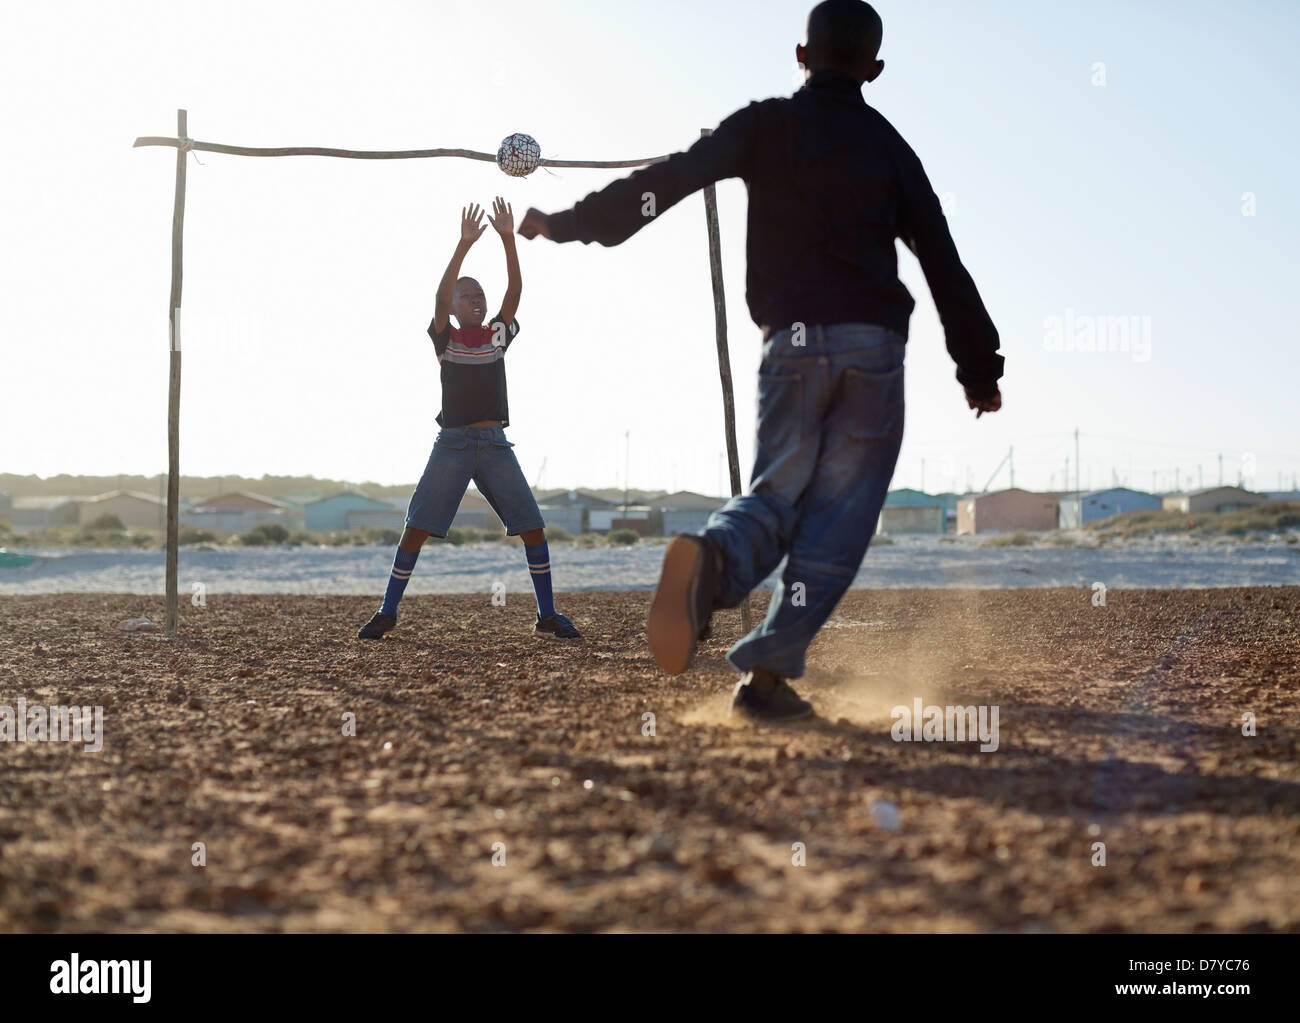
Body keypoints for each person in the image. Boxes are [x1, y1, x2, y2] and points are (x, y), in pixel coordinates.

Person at [517, 0, 1002, 718]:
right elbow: (942, 259)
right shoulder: (891, 149)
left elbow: (670, 179)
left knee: (774, 495)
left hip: (793, 343)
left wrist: (568, 224)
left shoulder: (764, 124)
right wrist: (978, 365)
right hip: (872, 346)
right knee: (840, 517)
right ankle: (769, 675)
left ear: (801, 55)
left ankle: (714, 565)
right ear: (874, 69)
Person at [358, 198, 581, 641]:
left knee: (533, 528)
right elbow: (440, 298)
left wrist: (505, 240)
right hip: (454, 444)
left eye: (479, 295)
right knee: (416, 529)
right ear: (455, 306)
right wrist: (462, 246)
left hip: (495, 445)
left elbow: (515, 291)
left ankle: (547, 615)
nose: (475, 301)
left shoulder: (497, 335)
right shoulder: (446, 338)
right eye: (467, 296)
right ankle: (387, 611)